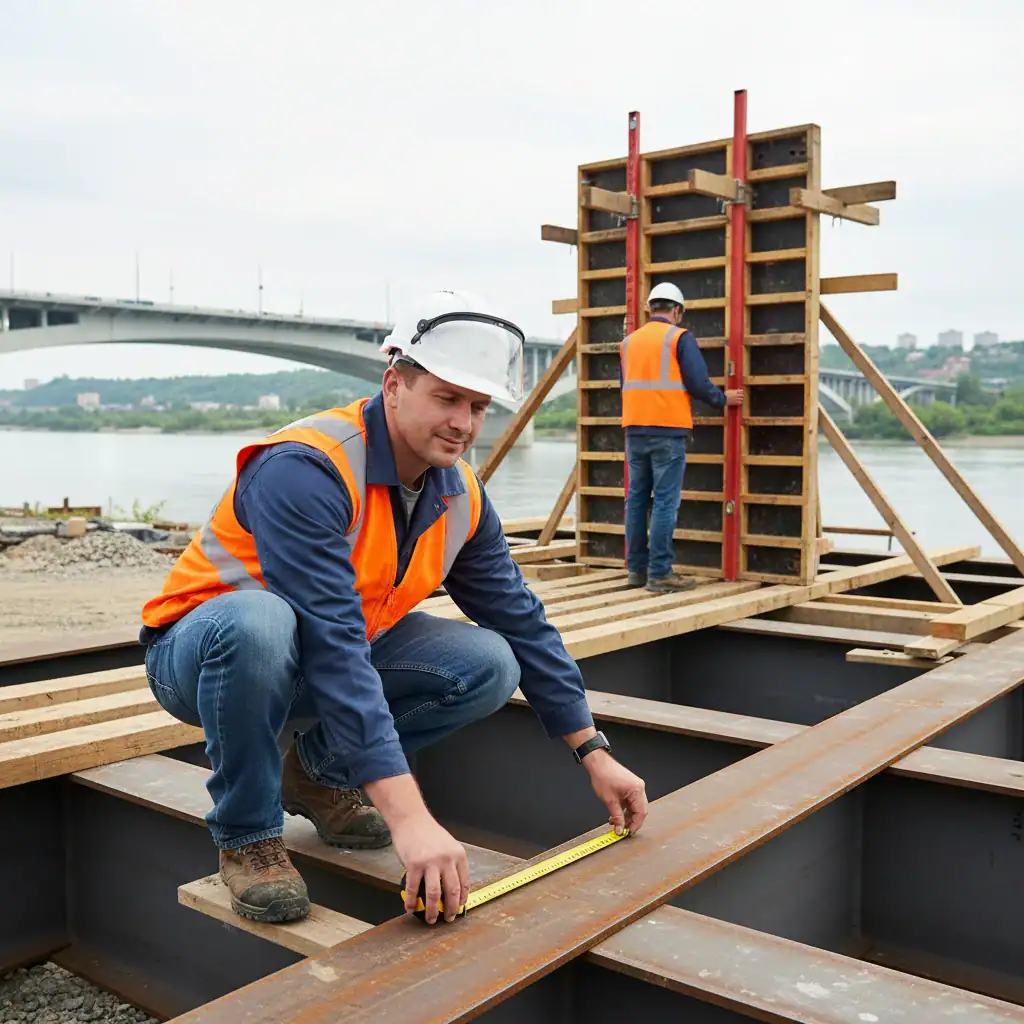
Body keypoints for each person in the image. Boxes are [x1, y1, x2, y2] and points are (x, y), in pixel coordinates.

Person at [139, 289, 648, 927]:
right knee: (258, 621)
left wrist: (592, 750)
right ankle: (248, 837)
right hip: (204, 655)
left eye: (477, 406)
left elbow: (520, 619)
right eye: (446, 398)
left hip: (319, 655)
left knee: (490, 660)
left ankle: (319, 774)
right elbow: (331, 640)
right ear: (393, 385)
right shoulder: (306, 469)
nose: (463, 422)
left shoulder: (460, 493)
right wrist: (411, 818)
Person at [620, 283, 743, 592]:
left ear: (650, 309)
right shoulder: (679, 338)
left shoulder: (629, 342)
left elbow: (627, 384)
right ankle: (660, 574)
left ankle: (637, 570)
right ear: (677, 311)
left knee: (636, 500)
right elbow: (698, 383)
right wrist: (722, 399)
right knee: (664, 501)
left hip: (634, 429)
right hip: (668, 431)